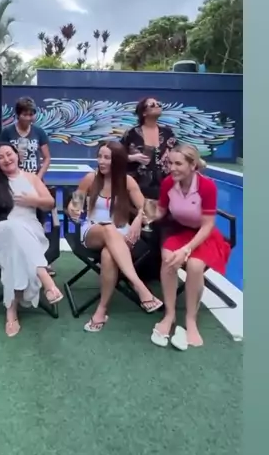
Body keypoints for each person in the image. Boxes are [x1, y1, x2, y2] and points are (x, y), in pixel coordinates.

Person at [67, 141, 163, 332]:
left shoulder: (127, 182)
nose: (101, 161)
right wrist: (73, 210)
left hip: (122, 234)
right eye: (99, 156)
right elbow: (74, 204)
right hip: (93, 231)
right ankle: (139, 286)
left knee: (108, 255)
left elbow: (151, 211)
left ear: (117, 161)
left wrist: (138, 220)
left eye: (107, 158)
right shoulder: (90, 178)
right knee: (108, 228)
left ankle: (101, 310)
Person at [0, 142, 63, 338]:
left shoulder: (31, 178)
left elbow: (50, 203)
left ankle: (11, 311)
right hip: (0, 231)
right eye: (0, 157)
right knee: (13, 227)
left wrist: (33, 201)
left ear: (17, 155)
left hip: (31, 231)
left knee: (16, 247)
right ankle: (44, 276)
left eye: (9, 154)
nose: (6, 159)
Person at [150, 144, 231, 350]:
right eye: (170, 163)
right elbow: (159, 211)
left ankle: (191, 319)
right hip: (179, 231)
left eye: (178, 164)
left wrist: (186, 249)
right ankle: (169, 314)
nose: (172, 168)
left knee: (195, 266)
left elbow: (208, 225)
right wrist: (142, 217)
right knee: (168, 260)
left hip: (203, 234)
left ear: (192, 165)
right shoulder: (168, 183)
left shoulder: (207, 186)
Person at [0, 96, 55, 275]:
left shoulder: (39, 132)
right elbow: (1, 154)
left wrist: (38, 177)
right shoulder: (8, 132)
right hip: (13, 180)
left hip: (33, 180)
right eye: (25, 114)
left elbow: (47, 158)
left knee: (38, 220)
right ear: (18, 114)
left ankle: (41, 259)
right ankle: (17, 257)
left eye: (31, 114)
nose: (29, 118)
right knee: (16, 217)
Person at [120, 97, 177, 200]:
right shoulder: (131, 134)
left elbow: (179, 153)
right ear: (144, 113)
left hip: (164, 187)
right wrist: (133, 158)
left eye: (158, 104)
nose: (157, 106)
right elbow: (117, 155)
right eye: (152, 105)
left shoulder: (168, 133)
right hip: (136, 187)